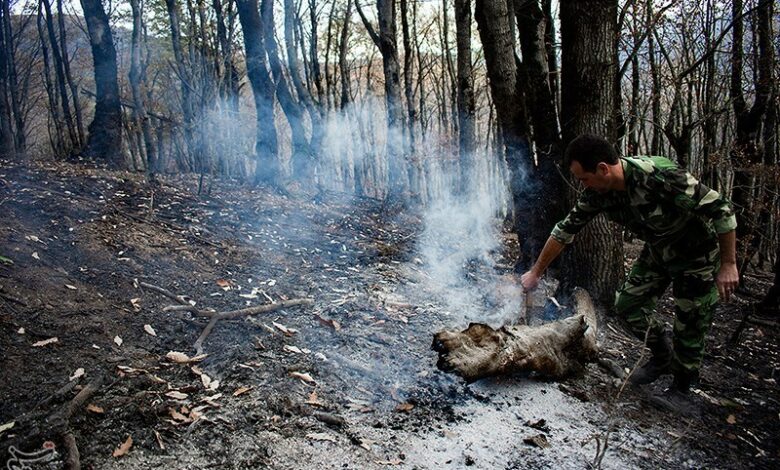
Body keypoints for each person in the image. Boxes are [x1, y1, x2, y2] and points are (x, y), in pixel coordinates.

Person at [520, 134, 740, 412]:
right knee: (627, 305)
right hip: (659, 250)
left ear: (602, 169)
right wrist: (536, 272)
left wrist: (729, 264)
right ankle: (662, 356)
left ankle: (683, 389)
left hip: (696, 254)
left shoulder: (660, 176)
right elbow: (564, 230)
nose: (582, 185)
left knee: (690, 319)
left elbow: (721, 208)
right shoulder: (599, 192)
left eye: (583, 178)